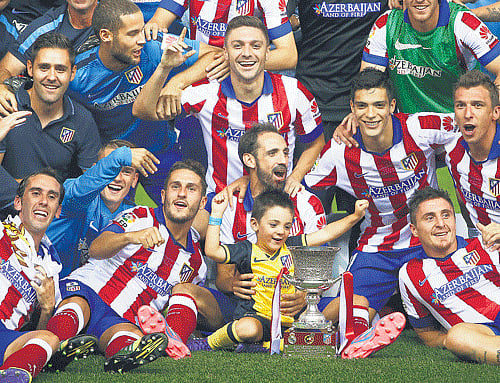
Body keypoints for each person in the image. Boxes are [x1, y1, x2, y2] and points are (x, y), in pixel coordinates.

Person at [304, 68, 458, 325]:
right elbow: (303, 192)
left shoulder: (420, 128)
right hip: (378, 248)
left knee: (463, 308)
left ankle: (394, 313)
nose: (371, 114)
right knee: (341, 316)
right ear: (351, 108)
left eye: (379, 105)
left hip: (429, 242)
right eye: (362, 106)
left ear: (392, 106)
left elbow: (473, 125)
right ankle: (367, 328)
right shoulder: (340, 151)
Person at [44, 160, 226, 372]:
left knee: (127, 337)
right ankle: (54, 346)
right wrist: (131, 237)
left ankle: (121, 358)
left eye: (191, 188)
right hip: (89, 289)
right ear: (163, 195)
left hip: (124, 318)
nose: (182, 194)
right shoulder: (141, 216)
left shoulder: (196, 264)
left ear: (203, 202)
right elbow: (96, 248)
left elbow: (176, 308)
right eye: (175, 186)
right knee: (75, 307)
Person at [189, 188, 403, 359]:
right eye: (273, 225)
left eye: (286, 226)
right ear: (255, 224)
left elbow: (326, 232)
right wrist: (216, 214)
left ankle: (355, 342)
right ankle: (207, 343)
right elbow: (212, 251)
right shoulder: (246, 250)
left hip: (294, 319)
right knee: (246, 329)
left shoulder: (292, 245)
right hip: (258, 319)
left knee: (357, 299)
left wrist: (356, 216)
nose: (280, 231)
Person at [133, 15, 325, 197]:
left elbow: (316, 143)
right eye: (237, 46)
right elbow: (143, 110)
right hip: (222, 204)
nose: (247, 53)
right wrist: (164, 68)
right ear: (225, 52)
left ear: (268, 51)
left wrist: (295, 177)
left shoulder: (293, 92)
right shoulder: (206, 93)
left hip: (276, 203)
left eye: (256, 46)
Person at [68, 0, 220, 204]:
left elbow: (215, 54)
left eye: (141, 30)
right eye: (132, 34)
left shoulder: (153, 45)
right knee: (105, 224)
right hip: (115, 161)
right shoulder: (79, 76)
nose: (141, 39)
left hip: (158, 152)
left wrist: (177, 82)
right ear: (106, 36)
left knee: (190, 211)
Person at [205, 123, 325, 318]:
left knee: (353, 302)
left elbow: (320, 265)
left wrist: (308, 294)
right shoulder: (231, 206)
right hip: (246, 306)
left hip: (295, 306)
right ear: (250, 160)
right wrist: (232, 284)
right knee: (189, 293)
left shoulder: (308, 203)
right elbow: (223, 277)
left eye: (285, 153)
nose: (283, 161)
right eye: (273, 153)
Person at [0, 32, 100, 213]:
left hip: (49, 219)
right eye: (44, 67)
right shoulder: (6, 105)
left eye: (60, 69)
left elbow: (89, 186)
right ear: (30, 69)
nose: (52, 76)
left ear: (73, 73)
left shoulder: (82, 120)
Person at [399, 187, 500, 365]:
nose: (441, 223)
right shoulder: (410, 274)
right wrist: (449, 341)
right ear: (414, 230)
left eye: (446, 215)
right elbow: (427, 333)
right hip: (483, 333)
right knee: (456, 338)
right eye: (430, 218)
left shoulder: (485, 243)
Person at [361, 0, 500, 114]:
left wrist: (485, 112)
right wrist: (358, 113)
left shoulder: (461, 22)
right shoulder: (386, 24)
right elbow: (368, 84)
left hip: (459, 127)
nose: (420, 0)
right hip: (409, 129)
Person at [46, 139, 160, 277]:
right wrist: (120, 156)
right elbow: (78, 190)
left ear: (135, 179)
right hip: (41, 276)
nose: (117, 178)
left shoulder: (136, 217)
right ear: (94, 170)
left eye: (126, 171)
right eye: (112, 168)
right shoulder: (78, 197)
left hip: (89, 291)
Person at [0, 169, 65, 382]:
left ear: (57, 210)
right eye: (36, 193)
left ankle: (11, 377)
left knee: (49, 338)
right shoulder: (2, 231)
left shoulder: (52, 266)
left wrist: (47, 309)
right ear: (18, 203)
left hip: (4, 336)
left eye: (52, 197)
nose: (44, 201)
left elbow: (36, 333)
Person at [0, 0, 99, 116]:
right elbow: (6, 69)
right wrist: (2, 87)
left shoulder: (114, 17)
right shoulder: (43, 28)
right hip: (66, 114)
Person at [144, 0, 297, 72]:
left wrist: (233, 60)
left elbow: (288, 56)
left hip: (243, 71)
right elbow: (156, 25)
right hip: (198, 69)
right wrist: (227, 57)